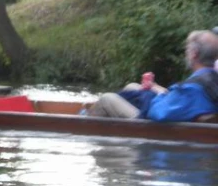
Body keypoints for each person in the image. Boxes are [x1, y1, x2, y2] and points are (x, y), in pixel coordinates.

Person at [87, 30, 218, 122]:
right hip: (184, 111)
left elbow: (158, 113)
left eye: (187, 50)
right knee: (132, 87)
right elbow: (181, 102)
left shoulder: (192, 88)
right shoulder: (211, 79)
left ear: (194, 54)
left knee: (106, 99)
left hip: (153, 125)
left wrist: (161, 94)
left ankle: (84, 124)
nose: (186, 53)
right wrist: (158, 89)